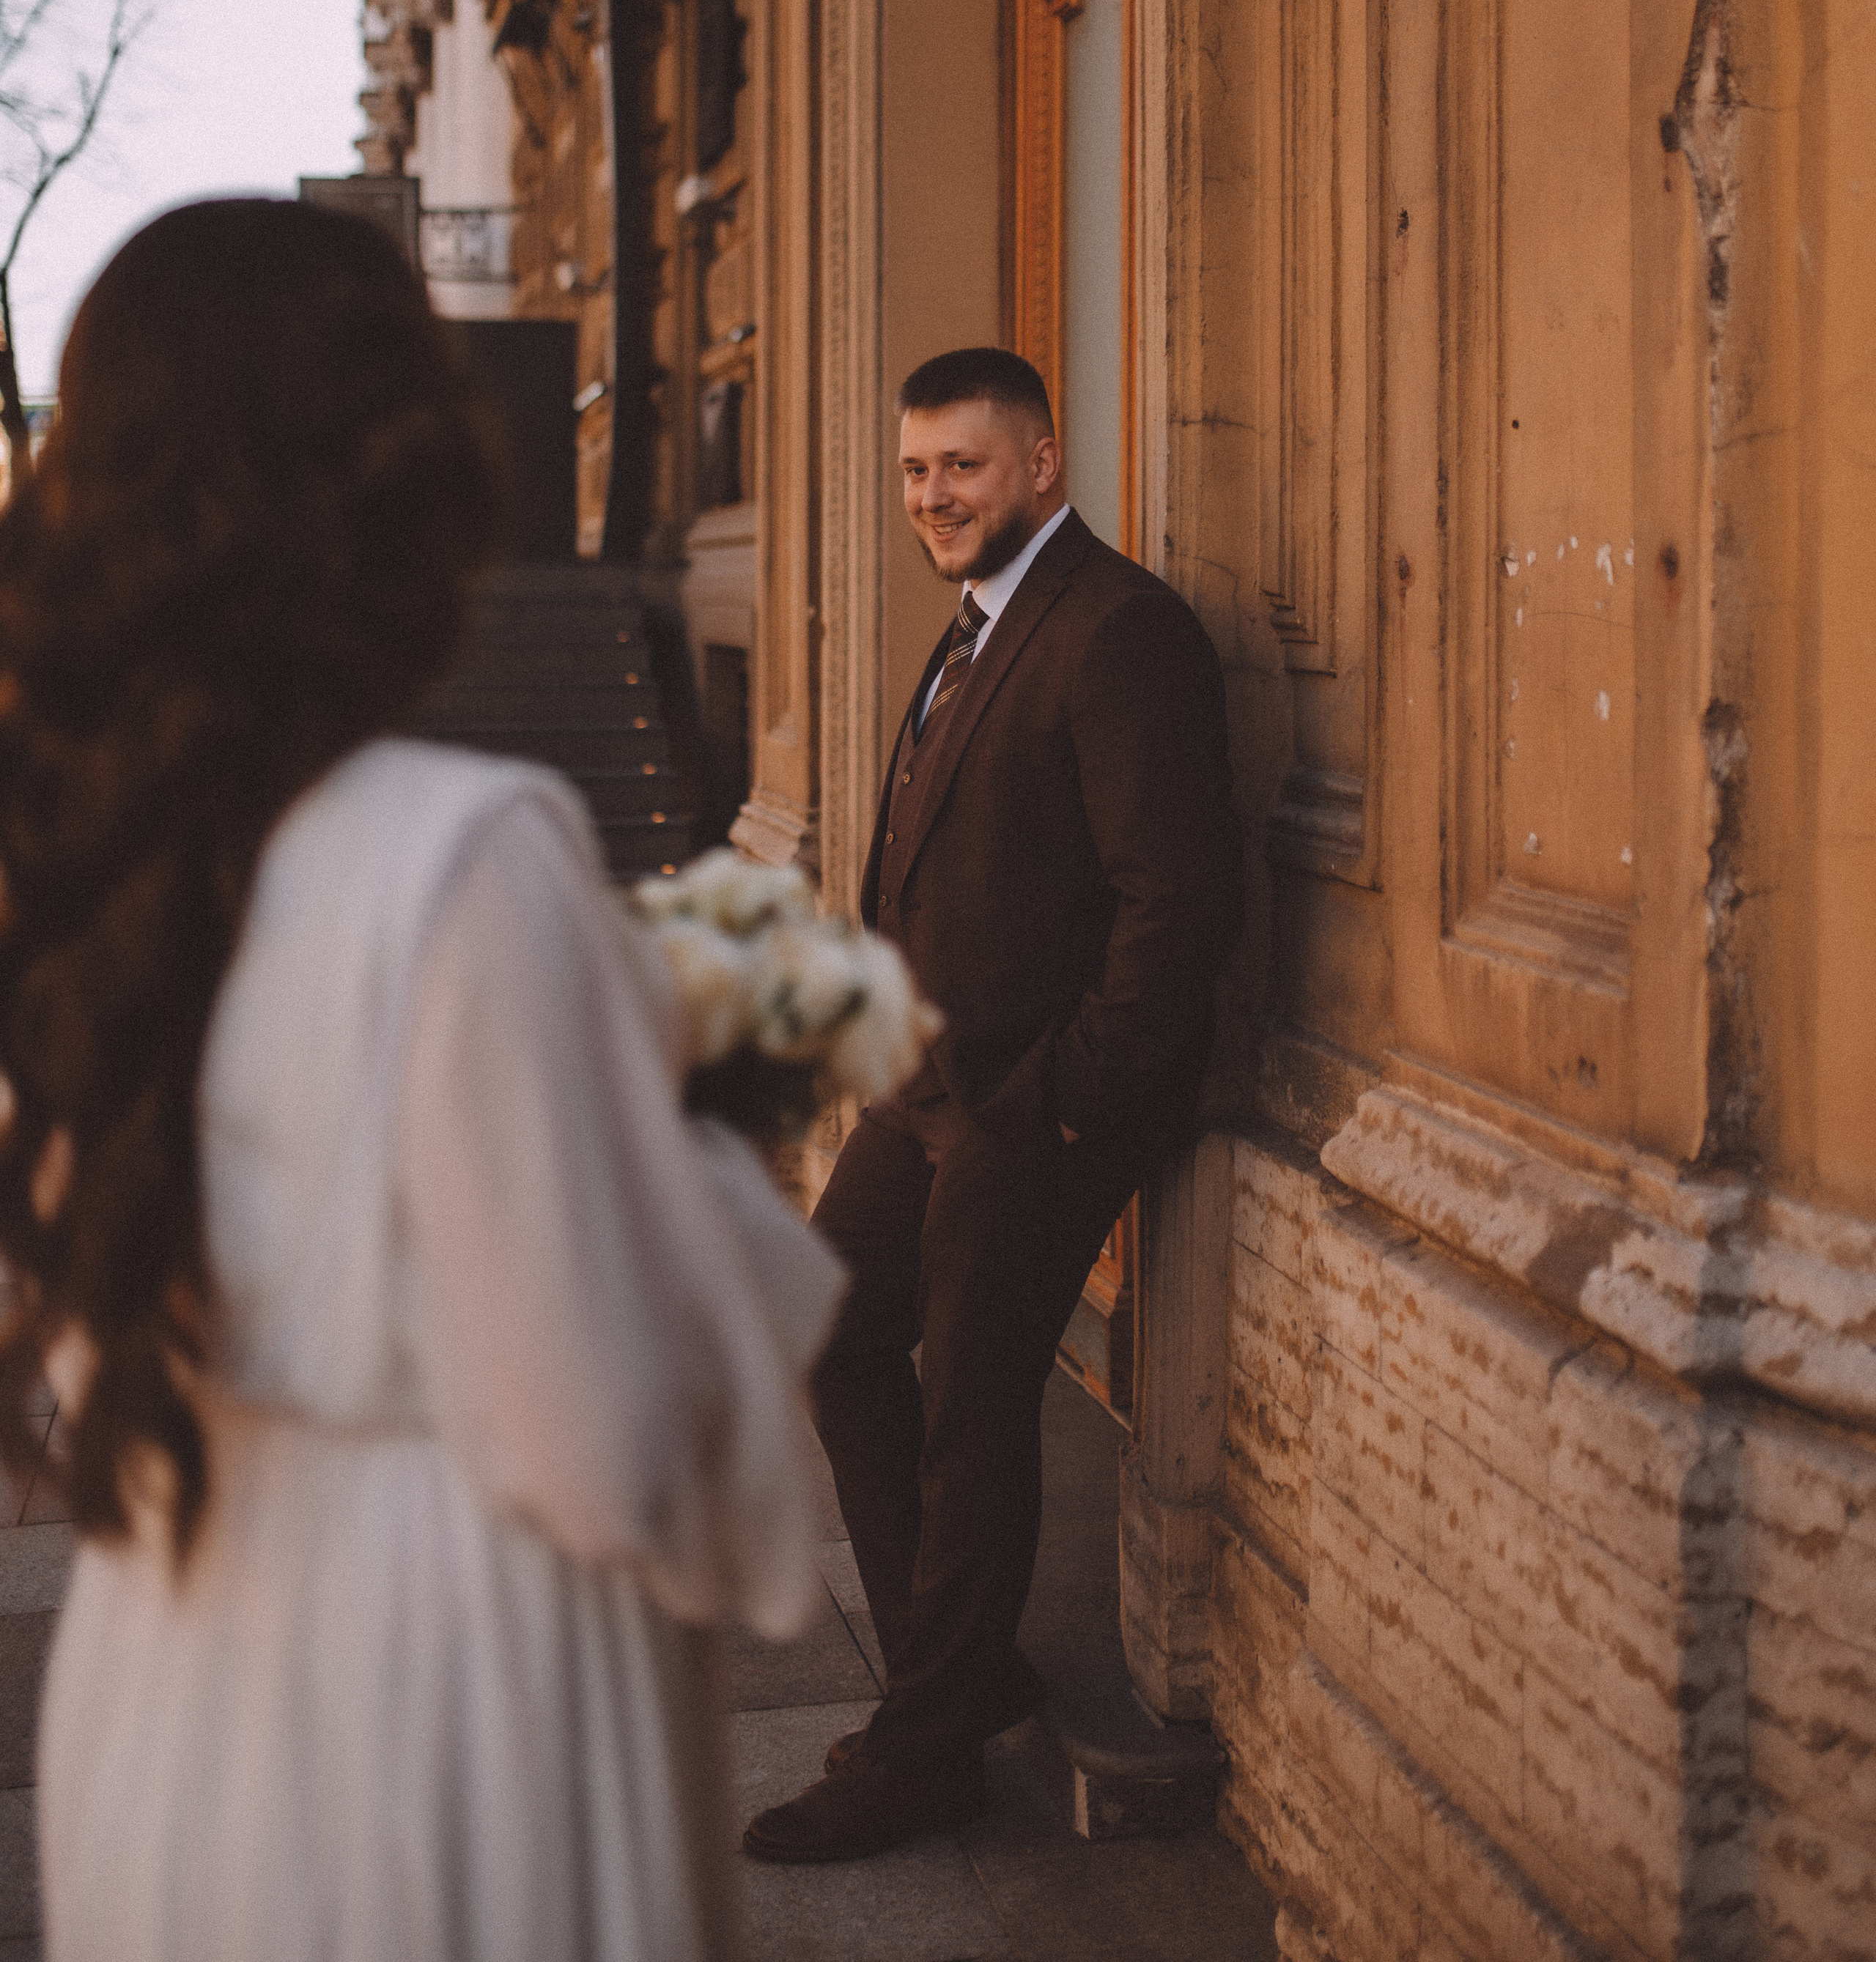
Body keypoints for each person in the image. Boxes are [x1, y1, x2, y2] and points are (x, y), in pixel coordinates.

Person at [0, 199, 843, 1962]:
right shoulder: (468, 856)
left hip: (171, 1682)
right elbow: (604, 1445)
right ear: (393, 481)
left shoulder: (68, 862)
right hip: (438, 1715)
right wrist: (690, 1176)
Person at [745, 345, 1241, 1865]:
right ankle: (959, 1676)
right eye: (912, 471)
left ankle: (921, 1748)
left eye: (959, 466)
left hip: (1039, 1102)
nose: (931, 496)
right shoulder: (973, 626)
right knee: (829, 1331)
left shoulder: (1119, 631)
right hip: (925, 1089)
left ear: (1038, 462)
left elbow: (1175, 901)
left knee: (968, 1406)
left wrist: (1066, 1102)